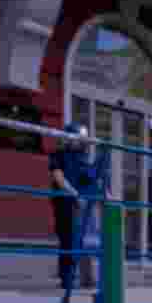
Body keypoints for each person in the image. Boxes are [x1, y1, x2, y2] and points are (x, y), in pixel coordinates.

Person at [49, 123, 96, 293]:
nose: (82, 142)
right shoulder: (58, 155)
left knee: (86, 240)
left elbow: (93, 180)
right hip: (65, 203)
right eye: (79, 138)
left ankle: (87, 278)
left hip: (81, 204)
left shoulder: (83, 158)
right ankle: (66, 278)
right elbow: (59, 178)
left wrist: (108, 196)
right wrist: (74, 194)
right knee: (67, 240)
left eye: (83, 139)